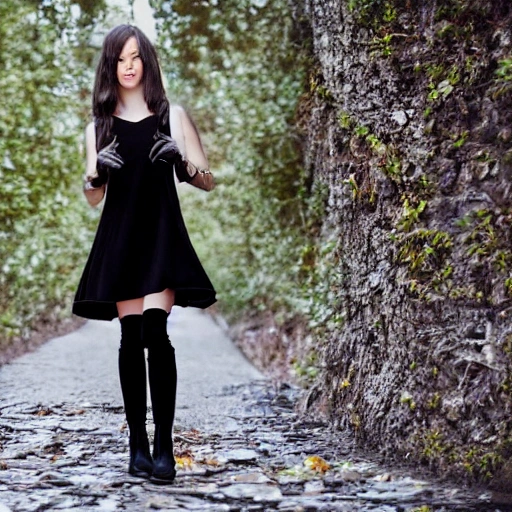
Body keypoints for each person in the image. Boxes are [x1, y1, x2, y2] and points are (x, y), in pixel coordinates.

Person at [72, 24, 216, 484]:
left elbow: (207, 179)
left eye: (135, 57)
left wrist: (181, 161)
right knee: (130, 339)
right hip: (121, 238)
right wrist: (96, 175)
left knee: (157, 332)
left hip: (161, 235)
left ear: (147, 61)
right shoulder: (98, 126)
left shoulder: (172, 115)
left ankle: (164, 448)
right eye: (120, 58)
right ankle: (136, 444)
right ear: (109, 65)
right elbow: (92, 196)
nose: (128, 66)